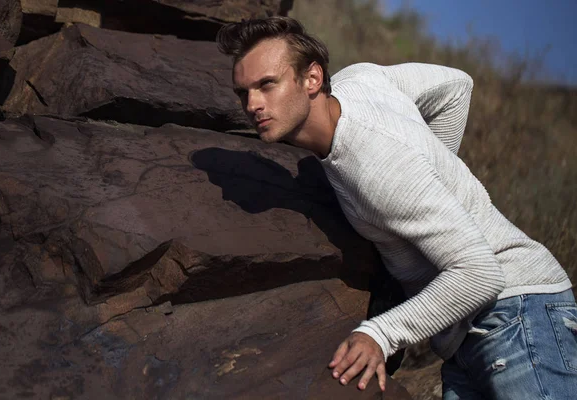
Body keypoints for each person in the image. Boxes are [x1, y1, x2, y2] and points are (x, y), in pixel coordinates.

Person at [215, 16, 577, 399]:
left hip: (516, 315)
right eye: (244, 92)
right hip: (465, 339)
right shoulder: (360, 81)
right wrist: (432, 172)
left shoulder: (378, 165)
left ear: (312, 79)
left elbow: (480, 274)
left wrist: (380, 334)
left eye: (267, 84)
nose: (253, 104)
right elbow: (456, 87)